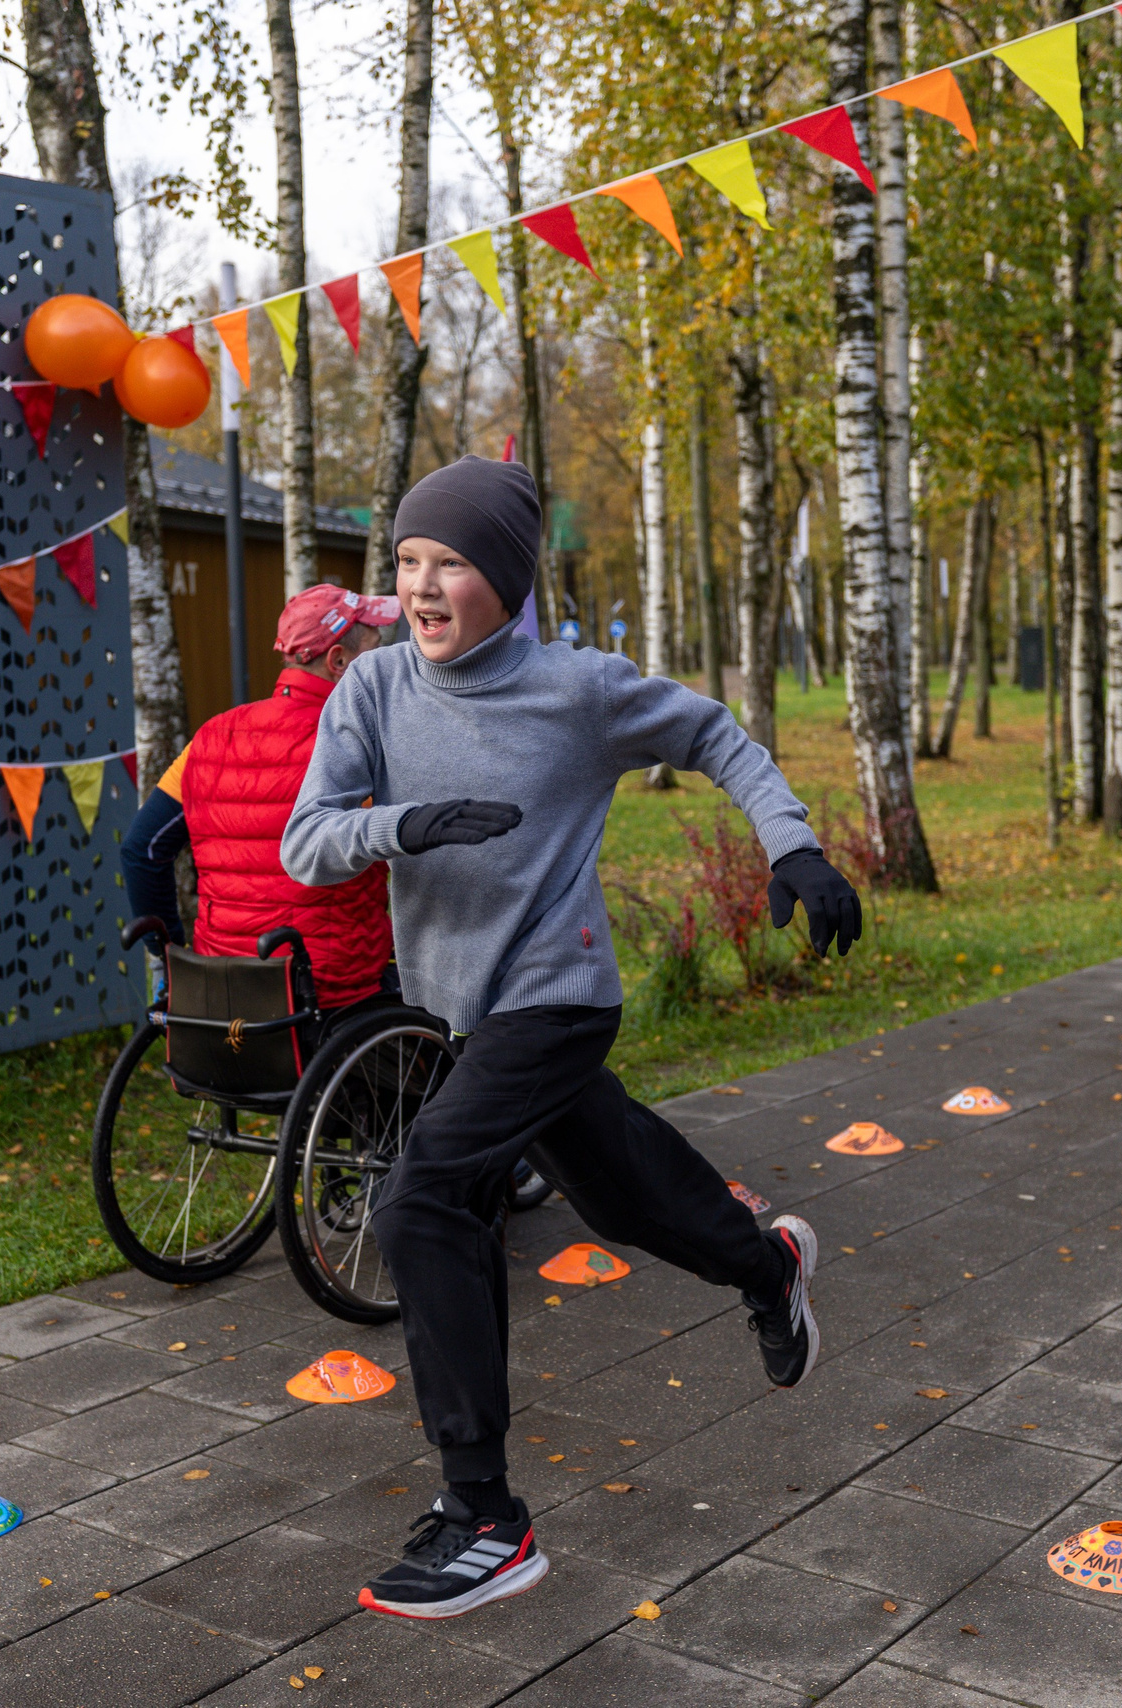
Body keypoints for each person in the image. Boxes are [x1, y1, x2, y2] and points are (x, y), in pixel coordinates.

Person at [281, 456, 862, 1620]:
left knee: (420, 1201)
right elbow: (305, 844)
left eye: (451, 562)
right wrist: (403, 826)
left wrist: (789, 844)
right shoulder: (374, 689)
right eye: (407, 563)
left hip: (554, 992)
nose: (426, 585)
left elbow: (719, 740)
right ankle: (768, 1262)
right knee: (625, 1198)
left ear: (503, 576)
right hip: (463, 1007)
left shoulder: (578, 690)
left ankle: (485, 1516)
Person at [120, 583, 404, 1012]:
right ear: (339, 661)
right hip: (336, 989)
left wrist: (168, 956)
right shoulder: (361, 745)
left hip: (225, 986)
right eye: (375, 651)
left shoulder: (210, 737)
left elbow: (142, 850)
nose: (386, 666)